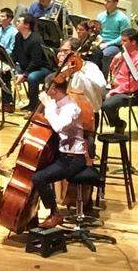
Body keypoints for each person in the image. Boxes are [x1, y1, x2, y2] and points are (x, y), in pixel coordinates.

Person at [29, 79, 87, 229]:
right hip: (61, 155)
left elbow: (58, 126)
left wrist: (48, 106)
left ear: (54, 89)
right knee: (33, 170)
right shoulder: (57, 104)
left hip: (73, 159)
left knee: (39, 178)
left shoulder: (71, 108)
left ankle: (55, 213)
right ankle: (31, 214)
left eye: (47, 88)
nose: (46, 91)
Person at [102, 28, 138, 133]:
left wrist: (113, 92)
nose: (121, 43)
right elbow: (113, 71)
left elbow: (133, 85)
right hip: (118, 87)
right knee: (95, 95)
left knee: (107, 104)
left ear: (133, 42)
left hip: (133, 93)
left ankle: (119, 124)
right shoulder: (124, 55)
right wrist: (116, 59)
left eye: (124, 41)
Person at [12, 15, 52, 112]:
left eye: (19, 21)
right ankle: (7, 103)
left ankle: (34, 108)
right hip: (26, 66)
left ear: (27, 25)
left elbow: (36, 61)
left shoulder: (36, 39)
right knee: (4, 71)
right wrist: (10, 65)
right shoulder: (18, 36)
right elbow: (15, 54)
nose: (16, 23)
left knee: (32, 77)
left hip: (41, 68)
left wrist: (24, 74)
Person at [96, 0, 131, 72]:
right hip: (101, 43)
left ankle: (103, 81)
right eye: (105, 1)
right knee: (89, 52)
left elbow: (123, 37)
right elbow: (98, 32)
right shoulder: (100, 16)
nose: (105, 3)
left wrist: (107, 44)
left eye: (108, 1)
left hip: (116, 45)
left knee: (105, 54)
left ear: (116, 3)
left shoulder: (122, 18)